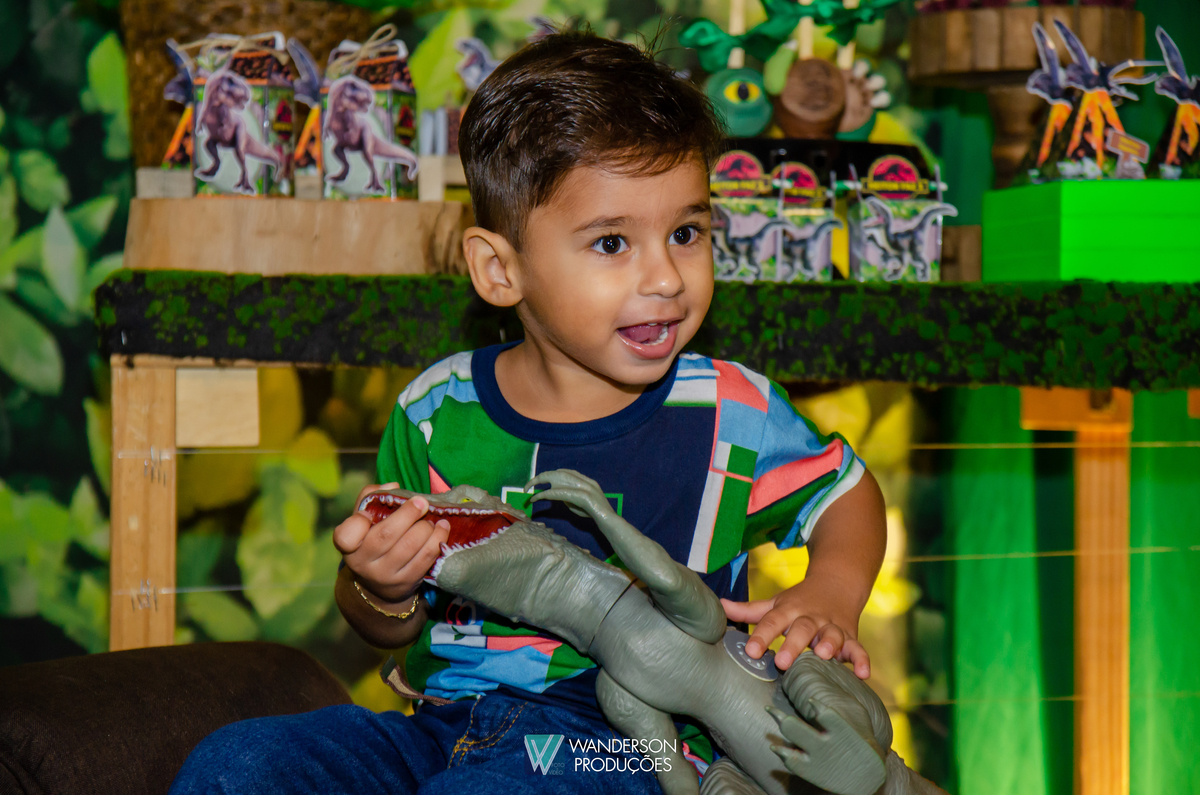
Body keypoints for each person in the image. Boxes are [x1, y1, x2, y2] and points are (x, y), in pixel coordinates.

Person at [169, 30, 885, 795]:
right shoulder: (436, 411)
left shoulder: (732, 409)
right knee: (237, 764)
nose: (666, 277)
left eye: (686, 233)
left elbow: (846, 494)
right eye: (612, 242)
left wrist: (830, 594)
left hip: (634, 748)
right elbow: (386, 622)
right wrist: (381, 584)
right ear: (499, 269)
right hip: (443, 724)